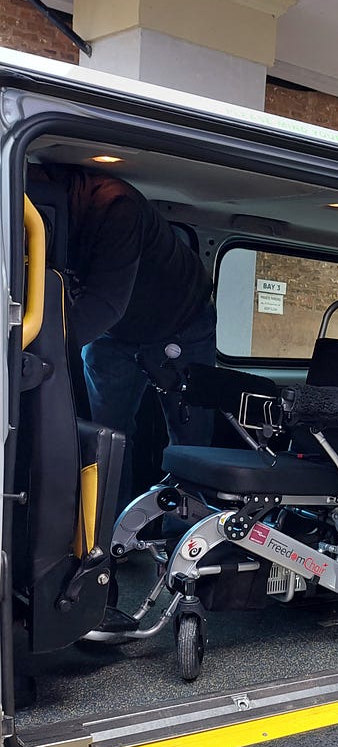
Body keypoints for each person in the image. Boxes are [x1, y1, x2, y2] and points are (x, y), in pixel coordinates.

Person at [39, 163, 217, 505]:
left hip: (182, 321)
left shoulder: (115, 206)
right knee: (105, 437)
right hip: (114, 333)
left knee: (190, 442)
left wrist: (36, 351)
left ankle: (187, 538)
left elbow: (104, 305)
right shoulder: (35, 217)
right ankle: (107, 539)